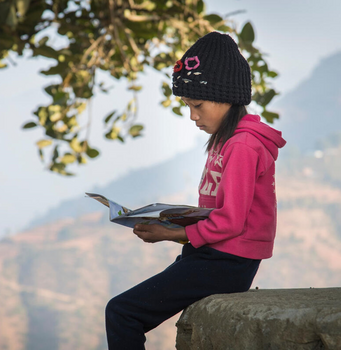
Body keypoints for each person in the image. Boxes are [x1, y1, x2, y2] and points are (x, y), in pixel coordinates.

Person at [105, 31, 286, 349]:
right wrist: (171, 221)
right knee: (126, 308)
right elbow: (217, 212)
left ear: (227, 96)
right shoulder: (224, 140)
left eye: (198, 105)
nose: (192, 116)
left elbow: (231, 222)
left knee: (122, 312)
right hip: (214, 255)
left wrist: (168, 234)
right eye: (188, 106)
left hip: (229, 263)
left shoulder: (242, 145)